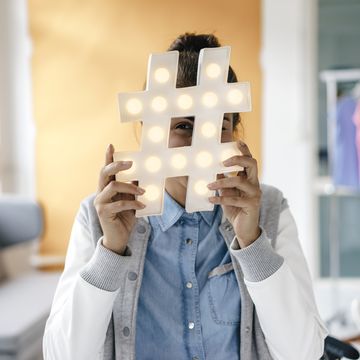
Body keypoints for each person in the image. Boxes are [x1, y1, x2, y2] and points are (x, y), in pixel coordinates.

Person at [42, 33, 328, 360]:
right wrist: (110, 252)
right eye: (183, 126)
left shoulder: (269, 210)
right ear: (150, 128)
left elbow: (304, 352)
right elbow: (62, 355)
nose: (200, 144)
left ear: (235, 132)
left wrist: (252, 244)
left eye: (219, 124)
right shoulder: (99, 217)